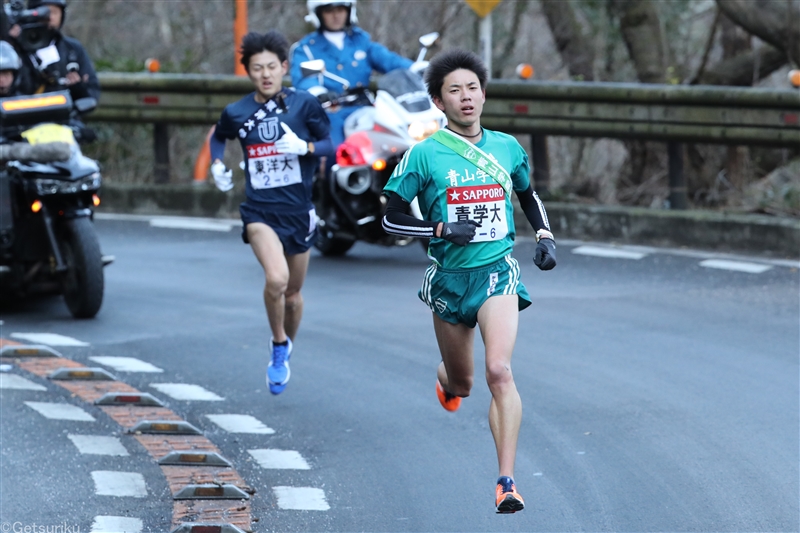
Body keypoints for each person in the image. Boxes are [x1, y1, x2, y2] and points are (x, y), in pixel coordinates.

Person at [381, 48, 557, 514]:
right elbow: (391, 218)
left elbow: (527, 192)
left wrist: (544, 234)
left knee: (500, 371)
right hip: (449, 282)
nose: (466, 98)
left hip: (497, 273)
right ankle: (448, 383)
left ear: (484, 93)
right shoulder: (424, 154)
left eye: (472, 88)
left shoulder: (505, 147)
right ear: (439, 102)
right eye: (454, 91)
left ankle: (506, 482)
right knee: (464, 383)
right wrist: (438, 229)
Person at [210, 30, 334, 395]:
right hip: (261, 212)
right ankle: (278, 342)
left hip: (299, 211)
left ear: (284, 68)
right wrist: (218, 163)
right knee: (276, 280)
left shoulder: (304, 105)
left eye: (271, 67)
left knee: (293, 295)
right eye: (256, 68)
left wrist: (305, 146)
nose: (265, 74)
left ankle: (284, 348)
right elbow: (219, 135)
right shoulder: (237, 112)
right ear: (247, 72)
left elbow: (331, 144)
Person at [290, 0, 413, 151]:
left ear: (349, 11)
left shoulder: (360, 40)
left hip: (366, 108)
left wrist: (418, 68)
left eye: (340, 10)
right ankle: (332, 174)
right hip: (332, 112)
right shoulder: (306, 48)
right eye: (329, 11)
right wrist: (319, 92)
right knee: (334, 150)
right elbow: (303, 78)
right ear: (319, 14)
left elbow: (389, 60)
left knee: (401, 139)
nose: (336, 16)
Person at [20, 0, 99, 101]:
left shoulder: (72, 49)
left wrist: (78, 88)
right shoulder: (18, 48)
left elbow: (92, 94)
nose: (50, 17)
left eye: (55, 12)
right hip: (24, 112)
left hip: (64, 113)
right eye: (45, 12)